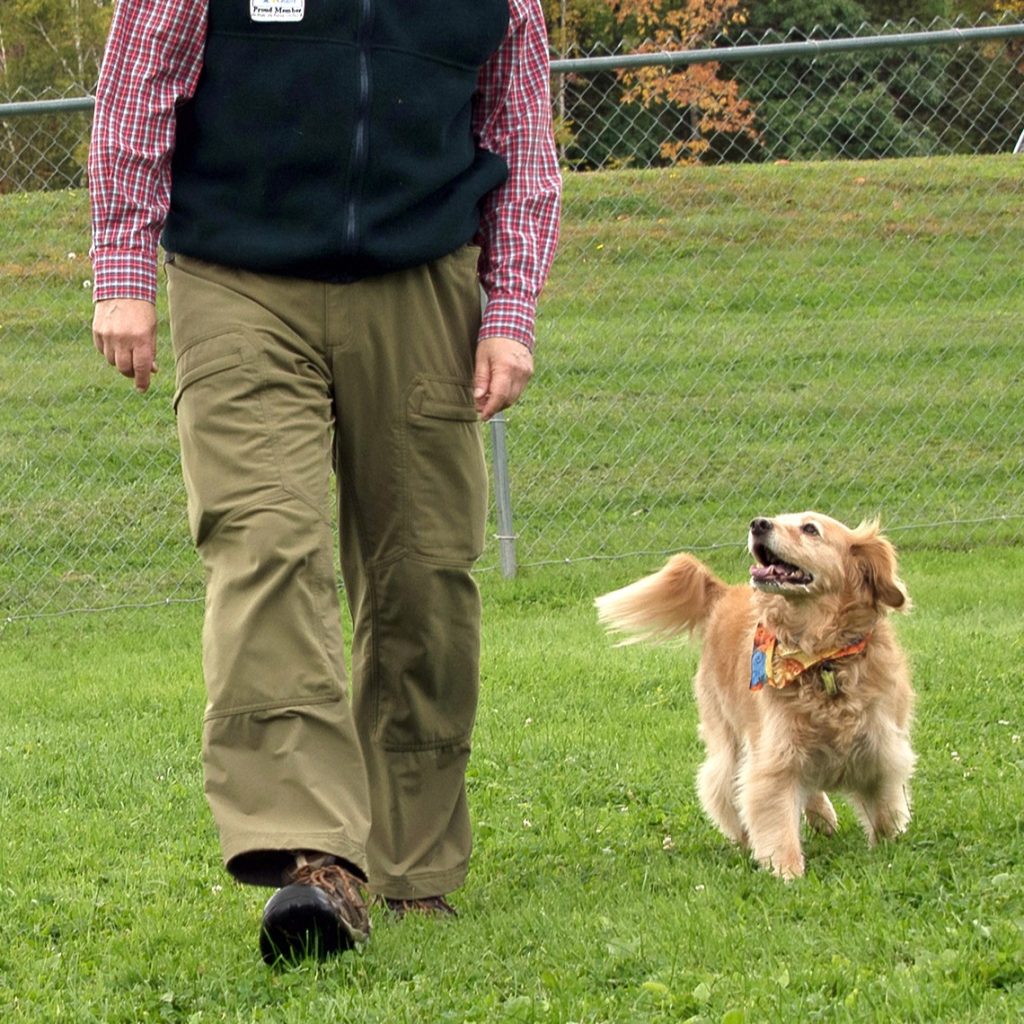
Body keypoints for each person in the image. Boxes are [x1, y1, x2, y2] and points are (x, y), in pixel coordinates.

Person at [89, 0, 561, 965]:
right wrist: (123, 270)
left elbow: (518, 136)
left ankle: (414, 866)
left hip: (423, 276)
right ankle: (317, 860)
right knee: (268, 542)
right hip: (237, 278)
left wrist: (509, 308)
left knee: (423, 575)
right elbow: (136, 93)